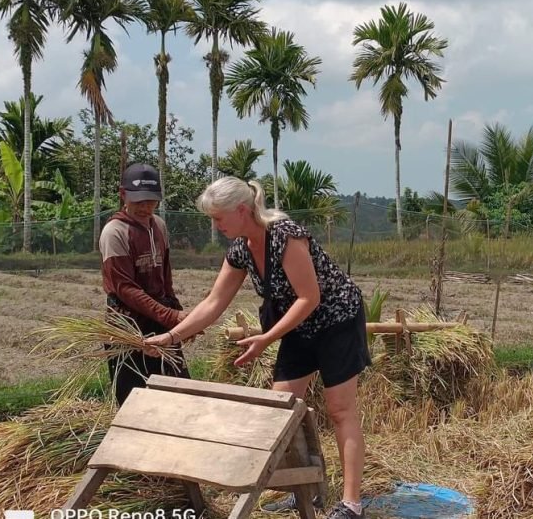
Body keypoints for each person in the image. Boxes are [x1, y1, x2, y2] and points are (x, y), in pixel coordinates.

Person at [145, 176, 371, 519]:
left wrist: (266, 338)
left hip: (336, 321)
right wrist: (171, 337)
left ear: (241, 210)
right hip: (297, 327)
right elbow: (213, 303)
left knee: (340, 410)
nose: (215, 225)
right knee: (281, 411)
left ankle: (352, 504)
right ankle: (305, 493)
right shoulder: (239, 249)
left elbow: (310, 298)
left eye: (218, 217)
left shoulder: (285, 235)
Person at [99, 163, 191, 405]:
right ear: (123, 194)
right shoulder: (114, 232)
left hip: (159, 318)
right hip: (128, 323)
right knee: (135, 400)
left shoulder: (158, 225)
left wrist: (179, 316)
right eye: (139, 201)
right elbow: (125, 289)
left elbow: (165, 276)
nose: (146, 207)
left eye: (151, 201)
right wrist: (170, 316)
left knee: (178, 392)